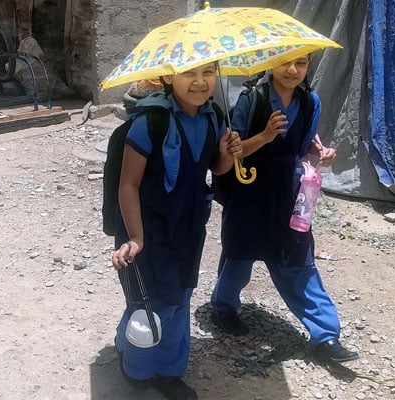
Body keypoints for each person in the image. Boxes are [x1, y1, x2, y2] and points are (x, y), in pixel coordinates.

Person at [209, 55, 360, 364]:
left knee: (298, 259)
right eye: (285, 62)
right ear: (271, 64)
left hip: (289, 192)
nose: (293, 70)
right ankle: (223, 307)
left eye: (301, 64)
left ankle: (325, 334)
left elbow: (303, 147)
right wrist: (264, 136)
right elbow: (234, 154)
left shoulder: (310, 102)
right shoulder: (251, 99)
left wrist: (321, 152)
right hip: (250, 186)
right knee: (239, 253)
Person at [111, 62, 242, 400]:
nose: (200, 82)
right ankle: (136, 367)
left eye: (209, 72)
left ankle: (169, 371)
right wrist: (136, 238)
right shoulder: (150, 122)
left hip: (189, 224)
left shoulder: (212, 115)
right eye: (189, 73)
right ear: (169, 76)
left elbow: (215, 167)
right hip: (149, 228)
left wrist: (227, 154)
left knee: (181, 294)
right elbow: (128, 184)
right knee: (153, 302)